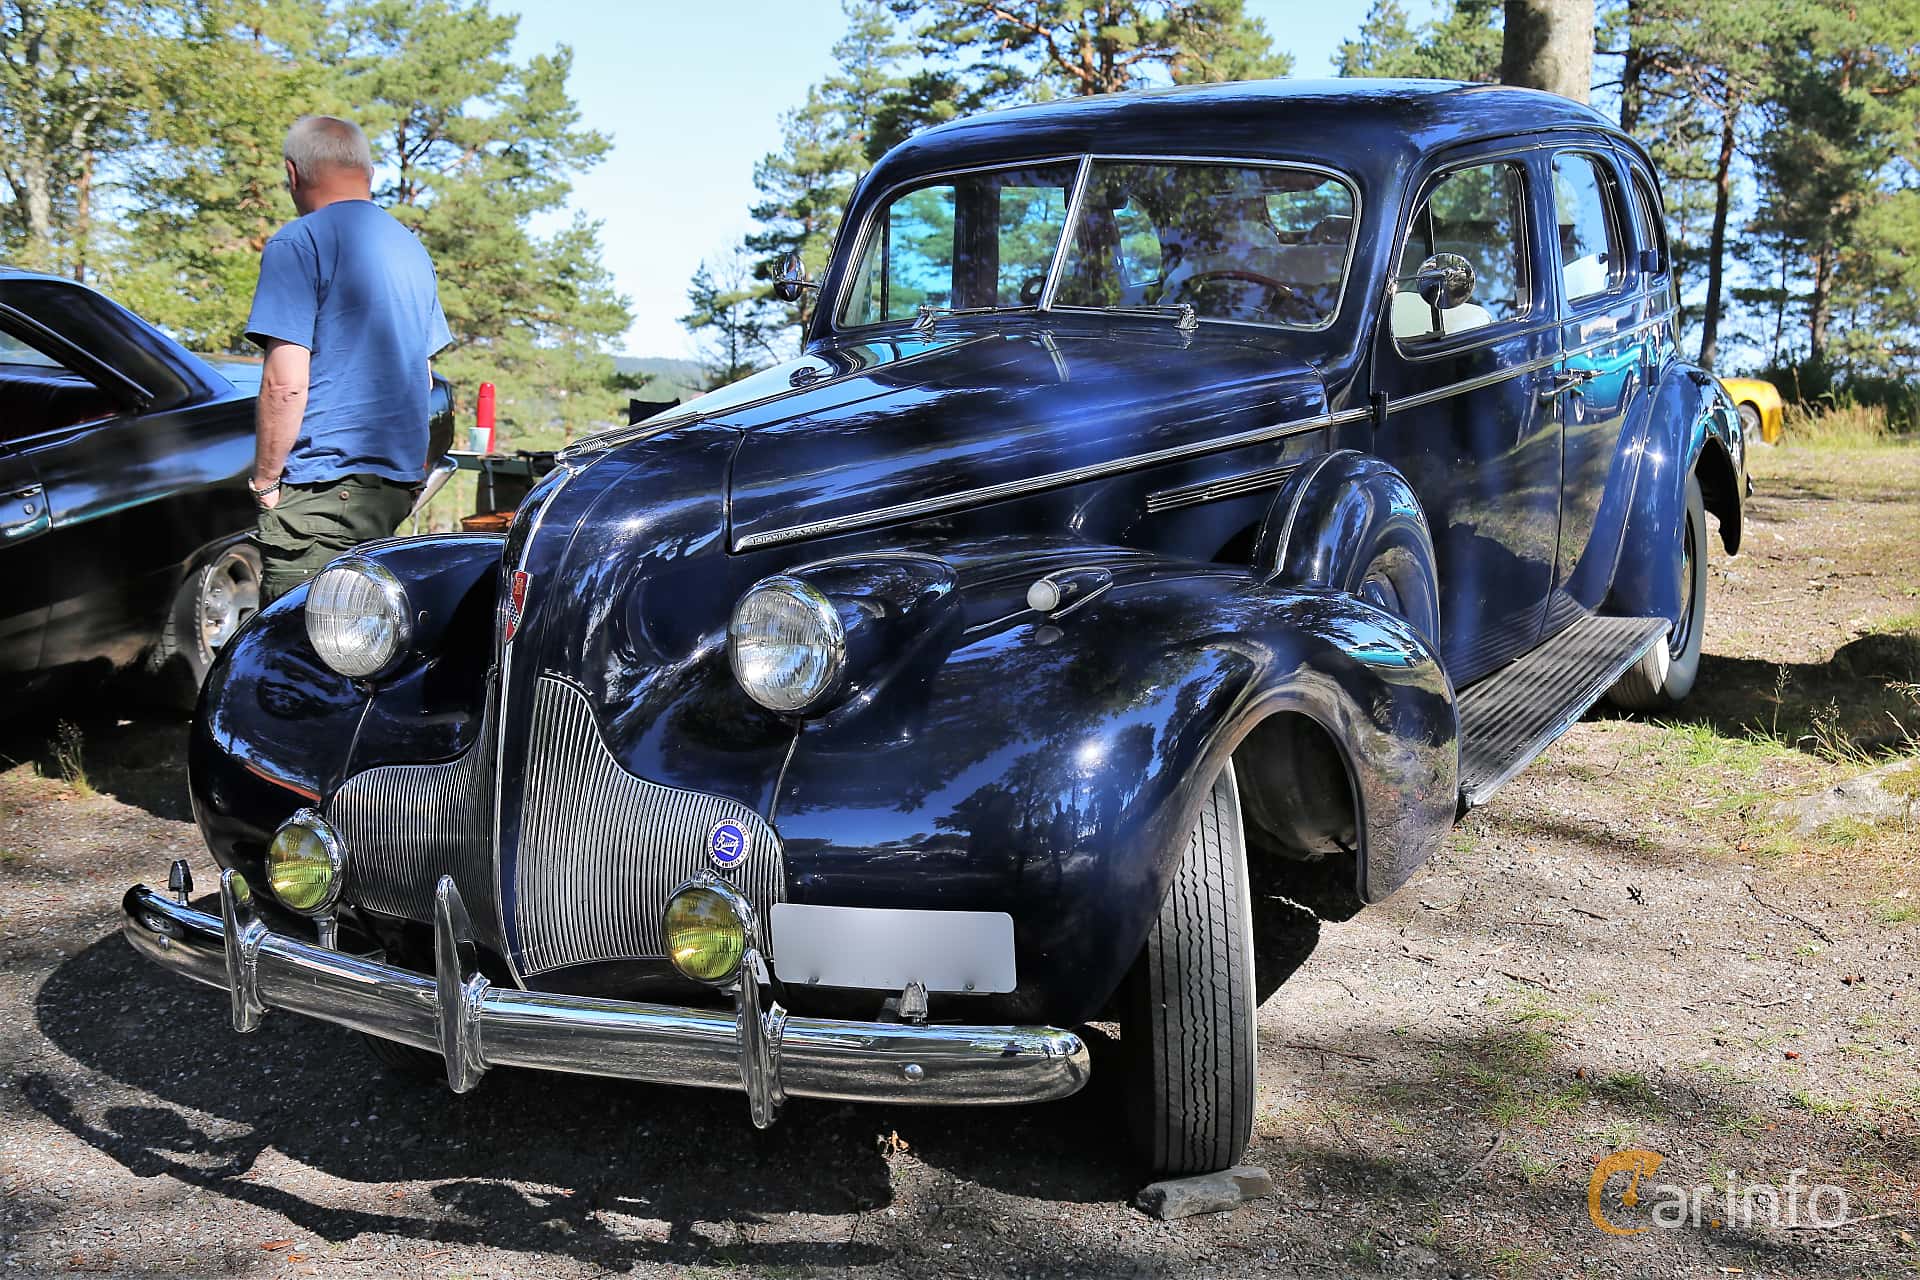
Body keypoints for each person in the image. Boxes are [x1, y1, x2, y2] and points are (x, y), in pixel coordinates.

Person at [244, 114, 452, 603]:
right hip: (390, 490)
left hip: (321, 490)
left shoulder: (300, 242)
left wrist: (265, 482)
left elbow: (285, 385)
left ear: (293, 174)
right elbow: (421, 378)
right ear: (369, 174)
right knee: (360, 647)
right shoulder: (411, 250)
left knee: (291, 660)